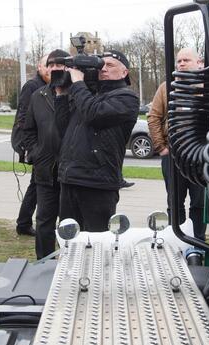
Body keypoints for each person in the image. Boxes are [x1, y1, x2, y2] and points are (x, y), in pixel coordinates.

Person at [55, 50, 139, 231]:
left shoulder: (126, 97)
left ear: (124, 72)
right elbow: (63, 127)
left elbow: (94, 115)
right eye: (100, 65)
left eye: (110, 65)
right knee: (68, 240)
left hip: (98, 183)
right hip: (71, 178)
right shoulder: (87, 95)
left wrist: (78, 83)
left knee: (97, 242)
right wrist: (62, 94)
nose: (103, 69)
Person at [148, 48, 207, 240]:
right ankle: (177, 239)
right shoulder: (167, 87)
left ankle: (197, 241)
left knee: (200, 203)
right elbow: (154, 117)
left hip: (200, 155)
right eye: (179, 61)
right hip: (173, 155)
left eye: (186, 60)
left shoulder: (208, 86)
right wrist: (161, 147)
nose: (181, 64)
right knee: (174, 201)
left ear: (200, 63)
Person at [22, 49, 68, 258]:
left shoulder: (78, 93)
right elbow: (28, 129)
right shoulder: (38, 96)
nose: (56, 69)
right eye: (52, 65)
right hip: (45, 171)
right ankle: (44, 263)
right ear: (47, 69)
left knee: (69, 224)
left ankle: (70, 262)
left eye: (61, 65)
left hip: (71, 172)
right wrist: (35, 153)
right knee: (44, 222)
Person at [11, 55, 48, 237]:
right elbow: (24, 117)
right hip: (36, 146)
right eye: (47, 65)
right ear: (39, 67)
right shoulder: (32, 86)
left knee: (35, 185)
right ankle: (25, 223)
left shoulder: (49, 86)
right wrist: (29, 147)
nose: (50, 69)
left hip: (42, 145)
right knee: (37, 185)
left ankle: (24, 222)